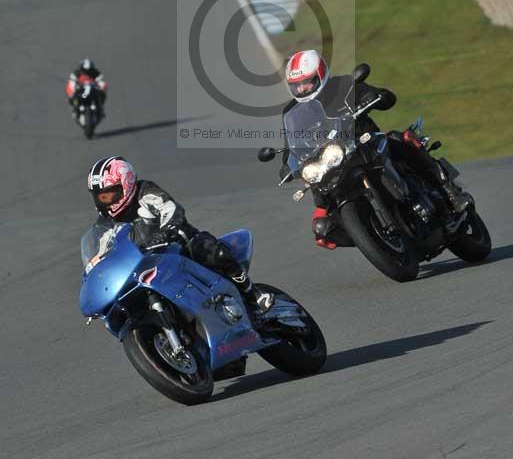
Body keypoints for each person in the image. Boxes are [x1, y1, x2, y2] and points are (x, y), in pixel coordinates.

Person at [281, 50, 470, 250]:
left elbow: (387, 98)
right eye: (296, 85)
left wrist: (375, 96)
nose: (302, 88)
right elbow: (290, 146)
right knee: (322, 215)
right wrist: (287, 165)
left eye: (307, 82)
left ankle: (450, 193)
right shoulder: (291, 112)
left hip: (365, 144)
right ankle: (368, 236)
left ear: (321, 75)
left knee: (400, 140)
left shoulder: (344, 86)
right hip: (331, 163)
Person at [87, 156, 274, 313]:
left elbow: (169, 208)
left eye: (108, 195)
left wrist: (167, 230)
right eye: (99, 197)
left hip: (176, 245)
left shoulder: (145, 192)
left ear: (126, 184)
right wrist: (92, 270)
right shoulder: (104, 223)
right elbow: (101, 253)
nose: (104, 202)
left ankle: (252, 294)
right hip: (142, 266)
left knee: (212, 251)